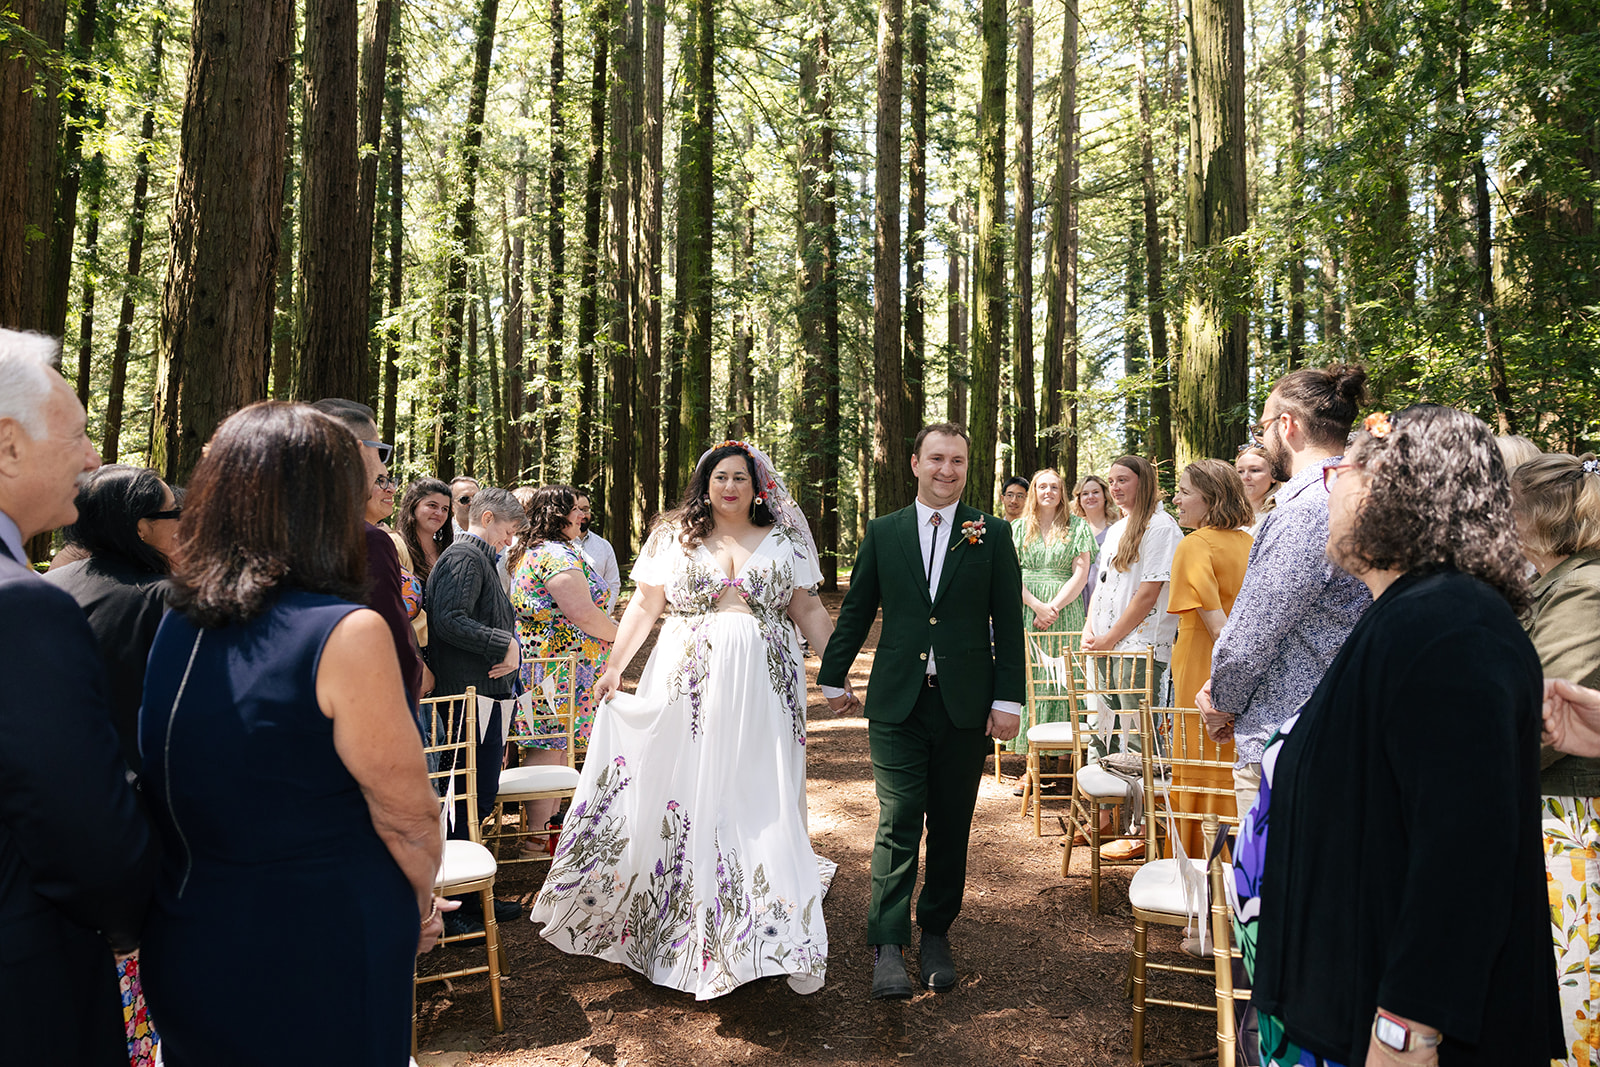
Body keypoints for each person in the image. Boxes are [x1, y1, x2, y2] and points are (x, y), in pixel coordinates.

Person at [1232, 405, 1561, 1066]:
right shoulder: (1408, 613)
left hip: (1394, 1034)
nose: (1327, 488)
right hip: (1342, 1008)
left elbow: (1463, 852)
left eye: (1339, 472)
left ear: (1391, 488)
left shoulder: (1449, 624)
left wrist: (1408, 1028)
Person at [138, 402, 446, 1067]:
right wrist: (418, 907)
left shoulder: (178, 620)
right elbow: (411, 820)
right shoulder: (345, 631)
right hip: (322, 944)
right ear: (326, 501)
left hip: (193, 931)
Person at [531, 441, 839, 999]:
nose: (730, 487)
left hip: (765, 684)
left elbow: (809, 610)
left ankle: (764, 936)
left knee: (758, 794)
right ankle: (678, 930)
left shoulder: (786, 539)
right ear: (705, 482)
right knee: (686, 791)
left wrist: (836, 674)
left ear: (757, 485)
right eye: (720, 477)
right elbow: (646, 608)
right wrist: (614, 667)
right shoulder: (674, 537)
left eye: (740, 478)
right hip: (687, 681)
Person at [818, 423, 1025, 1000]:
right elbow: (857, 608)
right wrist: (832, 676)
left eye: (957, 461)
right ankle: (888, 941)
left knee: (952, 822)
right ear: (914, 463)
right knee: (899, 816)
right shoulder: (884, 533)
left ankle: (935, 931)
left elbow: (1010, 624)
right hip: (898, 702)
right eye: (936, 459)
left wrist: (1008, 701)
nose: (947, 471)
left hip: (965, 705)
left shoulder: (993, 533)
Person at [0, 328, 156, 1066]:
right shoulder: (21, 606)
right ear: (8, 445)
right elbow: (84, 839)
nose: (95, 457)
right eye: (80, 434)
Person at [1197, 365, 1372, 815]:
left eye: (1262, 428)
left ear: (1288, 425)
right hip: (1350, 726)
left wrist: (1222, 700)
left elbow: (1254, 633)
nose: (1261, 439)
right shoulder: (1367, 496)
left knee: (1273, 884)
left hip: (1287, 738)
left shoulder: (1307, 509)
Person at [1510, 451, 1600, 1065]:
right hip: (1547, 808)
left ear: (1536, 518)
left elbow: (1546, 707)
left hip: (1567, 815)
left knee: (1572, 994)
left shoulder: (1585, 589)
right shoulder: (1554, 584)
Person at [426, 486, 525, 930]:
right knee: (460, 799)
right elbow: (448, 620)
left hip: (486, 696)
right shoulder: (464, 559)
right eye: (508, 530)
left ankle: (470, 897)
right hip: (467, 700)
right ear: (486, 519)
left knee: (477, 796)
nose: (511, 540)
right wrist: (502, 641)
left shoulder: (481, 560)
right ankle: (455, 905)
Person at [44, 464, 180, 775]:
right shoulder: (162, 598)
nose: (180, 522)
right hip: (128, 783)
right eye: (172, 512)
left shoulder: (48, 584)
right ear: (140, 529)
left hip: (45, 777)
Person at [508, 484, 619, 852]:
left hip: (561, 666)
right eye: (575, 509)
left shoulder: (549, 550)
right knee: (545, 744)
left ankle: (548, 832)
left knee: (556, 745)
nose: (582, 516)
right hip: (554, 670)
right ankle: (537, 836)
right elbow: (582, 613)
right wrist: (621, 637)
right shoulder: (555, 555)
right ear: (557, 514)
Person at [1163, 459, 1253, 864]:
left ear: (1211, 498)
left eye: (1183, 491)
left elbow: (1218, 628)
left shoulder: (1194, 545)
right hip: (1246, 670)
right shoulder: (1250, 543)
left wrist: (1224, 677)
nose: (1175, 499)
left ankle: (1197, 871)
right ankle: (1236, 866)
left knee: (1197, 758)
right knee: (1229, 766)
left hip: (1205, 666)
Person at [311, 399, 428, 707]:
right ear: (355, 451)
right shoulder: (364, 540)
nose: (384, 469)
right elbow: (390, 651)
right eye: (381, 452)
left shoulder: (272, 530)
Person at [1006, 467, 1097, 760]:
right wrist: (1035, 605)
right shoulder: (1017, 529)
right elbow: (1009, 574)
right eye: (1042, 487)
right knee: (1031, 675)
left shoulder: (1078, 527)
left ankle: (1066, 758)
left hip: (1065, 609)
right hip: (1026, 607)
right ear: (1033, 491)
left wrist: (1052, 608)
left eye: (1054, 487)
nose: (1048, 492)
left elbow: (1081, 574)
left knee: (1063, 677)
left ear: (1062, 493)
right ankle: (1032, 757)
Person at [392, 476, 455, 650]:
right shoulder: (394, 546)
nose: (439, 513)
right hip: (410, 649)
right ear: (413, 505)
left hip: (446, 651)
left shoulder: (448, 552)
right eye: (432, 506)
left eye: (445, 509)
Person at [1072, 473, 1120, 619]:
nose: (1090, 497)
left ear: (1105, 496)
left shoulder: (1116, 528)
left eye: (1095, 492)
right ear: (1079, 499)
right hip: (1076, 598)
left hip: (1106, 597)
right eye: (1085, 493)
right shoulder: (1072, 530)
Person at [574, 490, 622, 614]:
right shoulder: (558, 545)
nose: (582, 515)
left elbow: (613, 584)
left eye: (585, 509)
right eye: (577, 509)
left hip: (598, 619)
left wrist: (605, 613)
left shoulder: (604, 546)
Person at [1235, 444, 1280, 535]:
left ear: (1273, 475)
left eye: (1254, 470)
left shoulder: (1278, 518)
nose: (1245, 477)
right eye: (1240, 471)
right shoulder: (1228, 517)